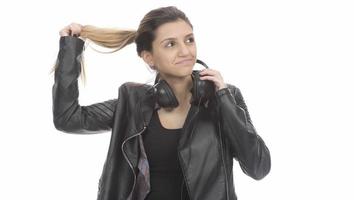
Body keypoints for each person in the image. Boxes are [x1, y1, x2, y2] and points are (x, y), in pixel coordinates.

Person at [51, 6, 271, 200]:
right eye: (170, 44)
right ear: (149, 57)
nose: (185, 51)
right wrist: (70, 49)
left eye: (189, 40)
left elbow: (258, 167)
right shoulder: (133, 103)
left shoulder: (225, 97)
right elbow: (68, 118)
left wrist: (223, 98)